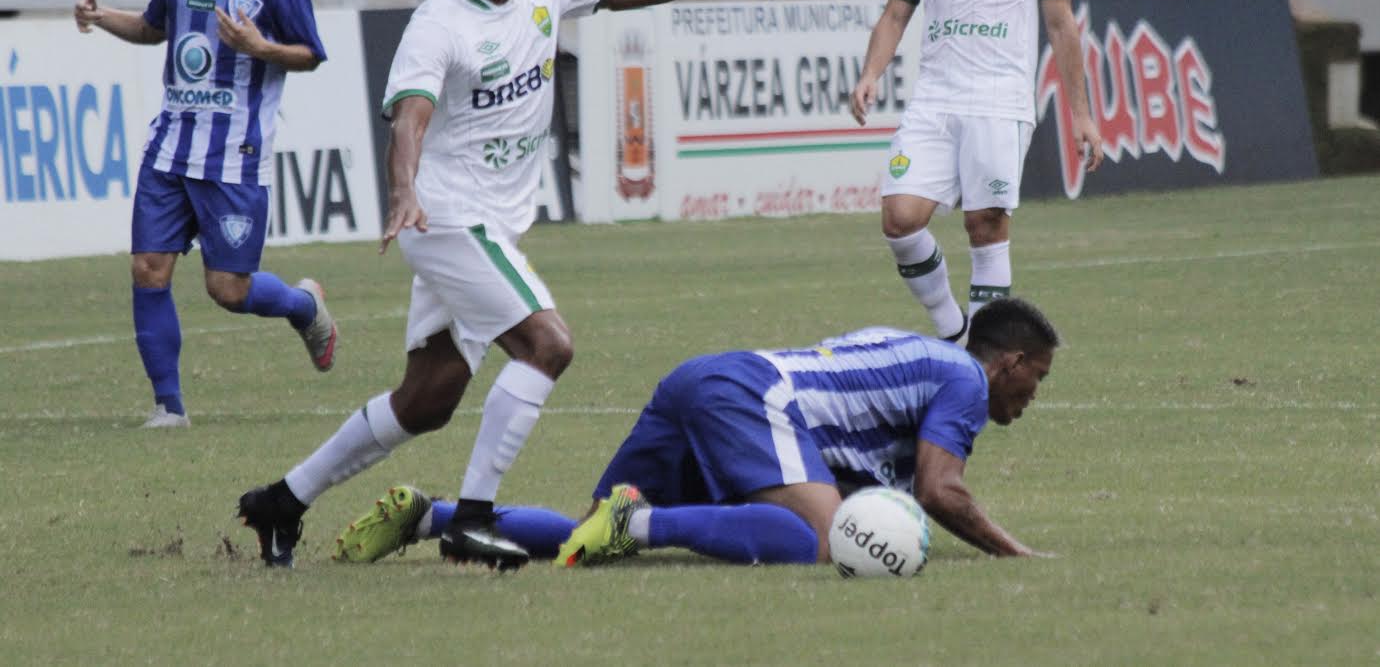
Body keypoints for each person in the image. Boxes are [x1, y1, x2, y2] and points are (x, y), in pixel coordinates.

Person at [236, 0, 810, 569]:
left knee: (427, 399)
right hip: (445, 217)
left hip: (486, 226)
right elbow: (410, 115)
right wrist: (403, 190)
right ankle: (471, 518)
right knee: (549, 344)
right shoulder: (438, 25)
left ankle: (281, 502)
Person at [331, 296, 1060, 567]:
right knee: (816, 537)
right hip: (752, 394)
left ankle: (430, 515)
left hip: (704, 381)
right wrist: (1014, 552)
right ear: (1013, 362)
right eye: (1039, 377)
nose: (1034, 395)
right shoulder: (963, 379)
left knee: (587, 534)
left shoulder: (917, 358)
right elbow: (940, 489)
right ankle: (641, 523)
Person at [73, 0, 337, 430]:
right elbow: (152, 29)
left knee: (228, 289)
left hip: (235, 157)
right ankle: (169, 407)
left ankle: (303, 305)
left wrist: (261, 49)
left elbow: (311, 54)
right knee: (148, 269)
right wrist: (99, 17)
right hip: (170, 147)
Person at [849, 0, 1103, 344]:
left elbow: (1061, 27)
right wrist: (871, 72)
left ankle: (981, 359)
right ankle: (953, 333)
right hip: (934, 100)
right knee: (899, 217)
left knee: (984, 225)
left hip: (999, 100)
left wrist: (1081, 116)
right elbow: (896, 14)